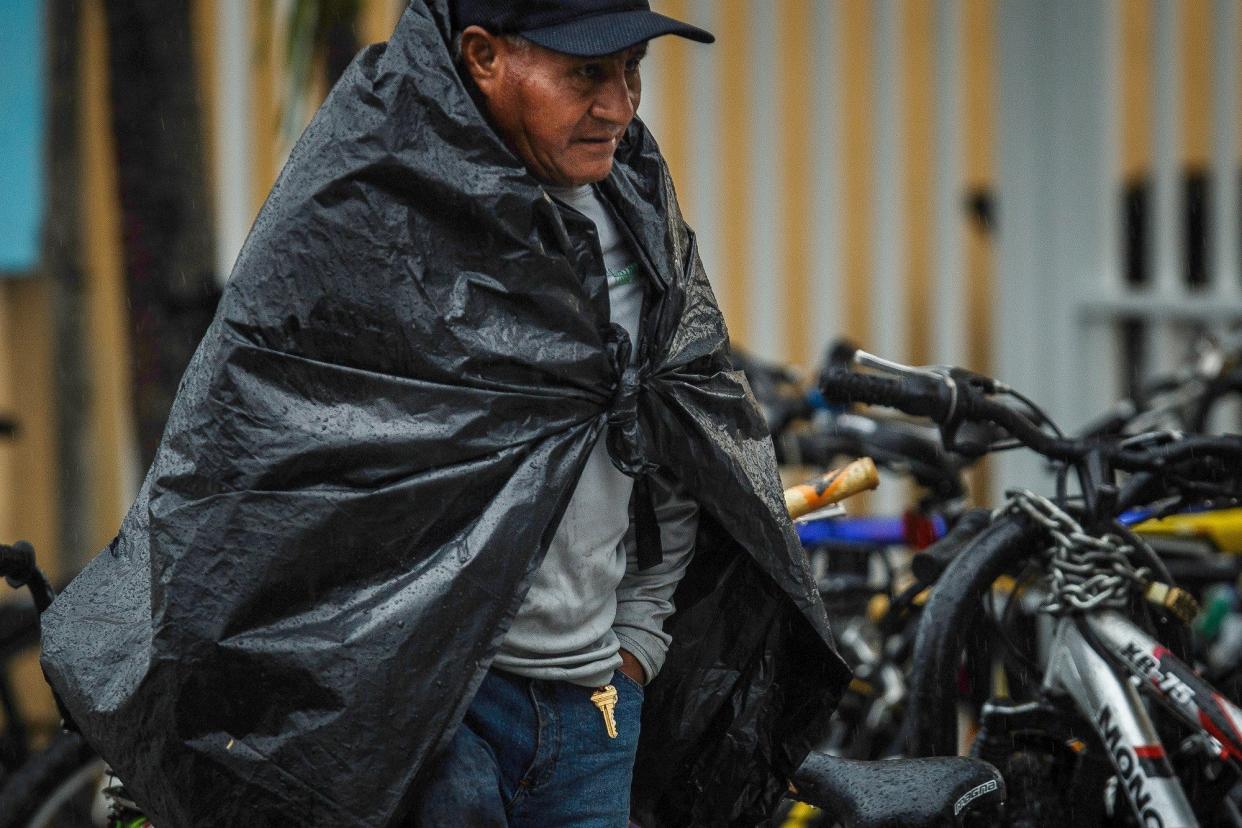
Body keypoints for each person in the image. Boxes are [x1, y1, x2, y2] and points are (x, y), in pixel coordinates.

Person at [39, 1, 851, 826]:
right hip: (425, 727)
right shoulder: (365, 202)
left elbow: (676, 429)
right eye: (585, 73)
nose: (620, 104)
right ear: (482, 54)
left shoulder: (631, 207)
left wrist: (635, 650)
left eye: (631, 68)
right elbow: (259, 476)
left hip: (593, 713)